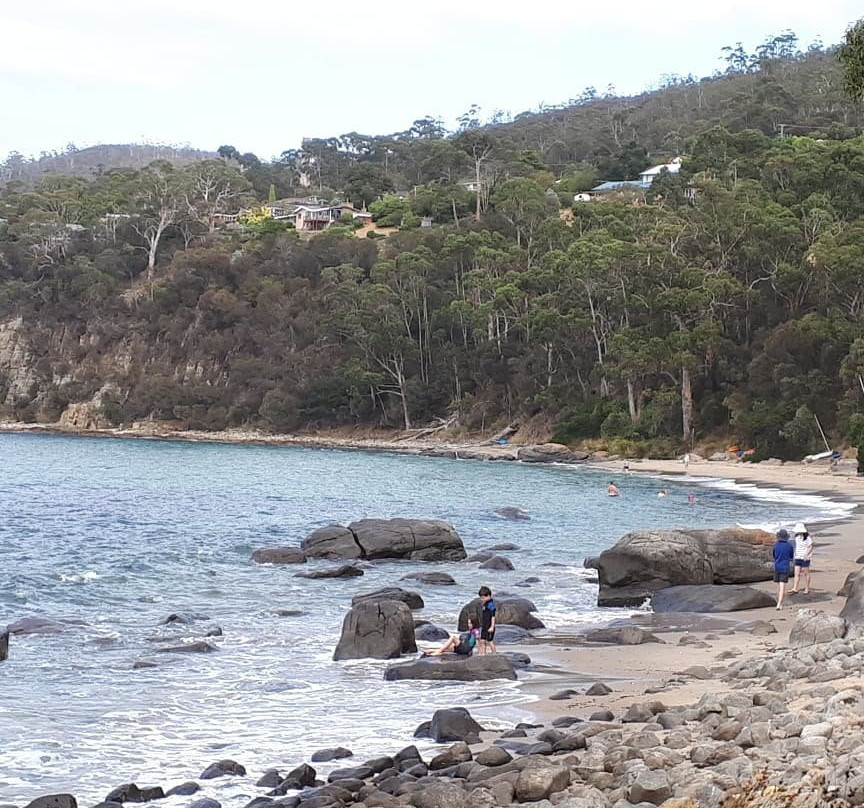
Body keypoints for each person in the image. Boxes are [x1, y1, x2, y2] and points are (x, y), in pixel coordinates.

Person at [773, 528, 795, 610]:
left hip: (777, 567)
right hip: (785, 567)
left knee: (778, 586)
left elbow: (774, 556)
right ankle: (779, 604)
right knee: (782, 586)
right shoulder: (789, 545)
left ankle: (779, 602)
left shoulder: (775, 545)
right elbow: (791, 556)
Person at [791, 522, 814, 594]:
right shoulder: (796, 537)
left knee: (806, 573)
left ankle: (807, 588)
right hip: (797, 557)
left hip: (805, 558)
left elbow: (810, 547)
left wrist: (806, 555)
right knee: (796, 573)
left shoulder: (808, 538)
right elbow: (797, 547)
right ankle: (795, 588)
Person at [477, 586, 497, 655]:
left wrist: (492, 626)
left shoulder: (491, 605)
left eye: (483, 598)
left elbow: (493, 617)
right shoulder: (485, 604)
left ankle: (494, 654)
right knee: (482, 640)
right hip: (484, 625)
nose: (482, 599)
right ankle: (483, 654)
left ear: (488, 596)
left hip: (489, 626)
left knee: (490, 641)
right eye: (481, 598)